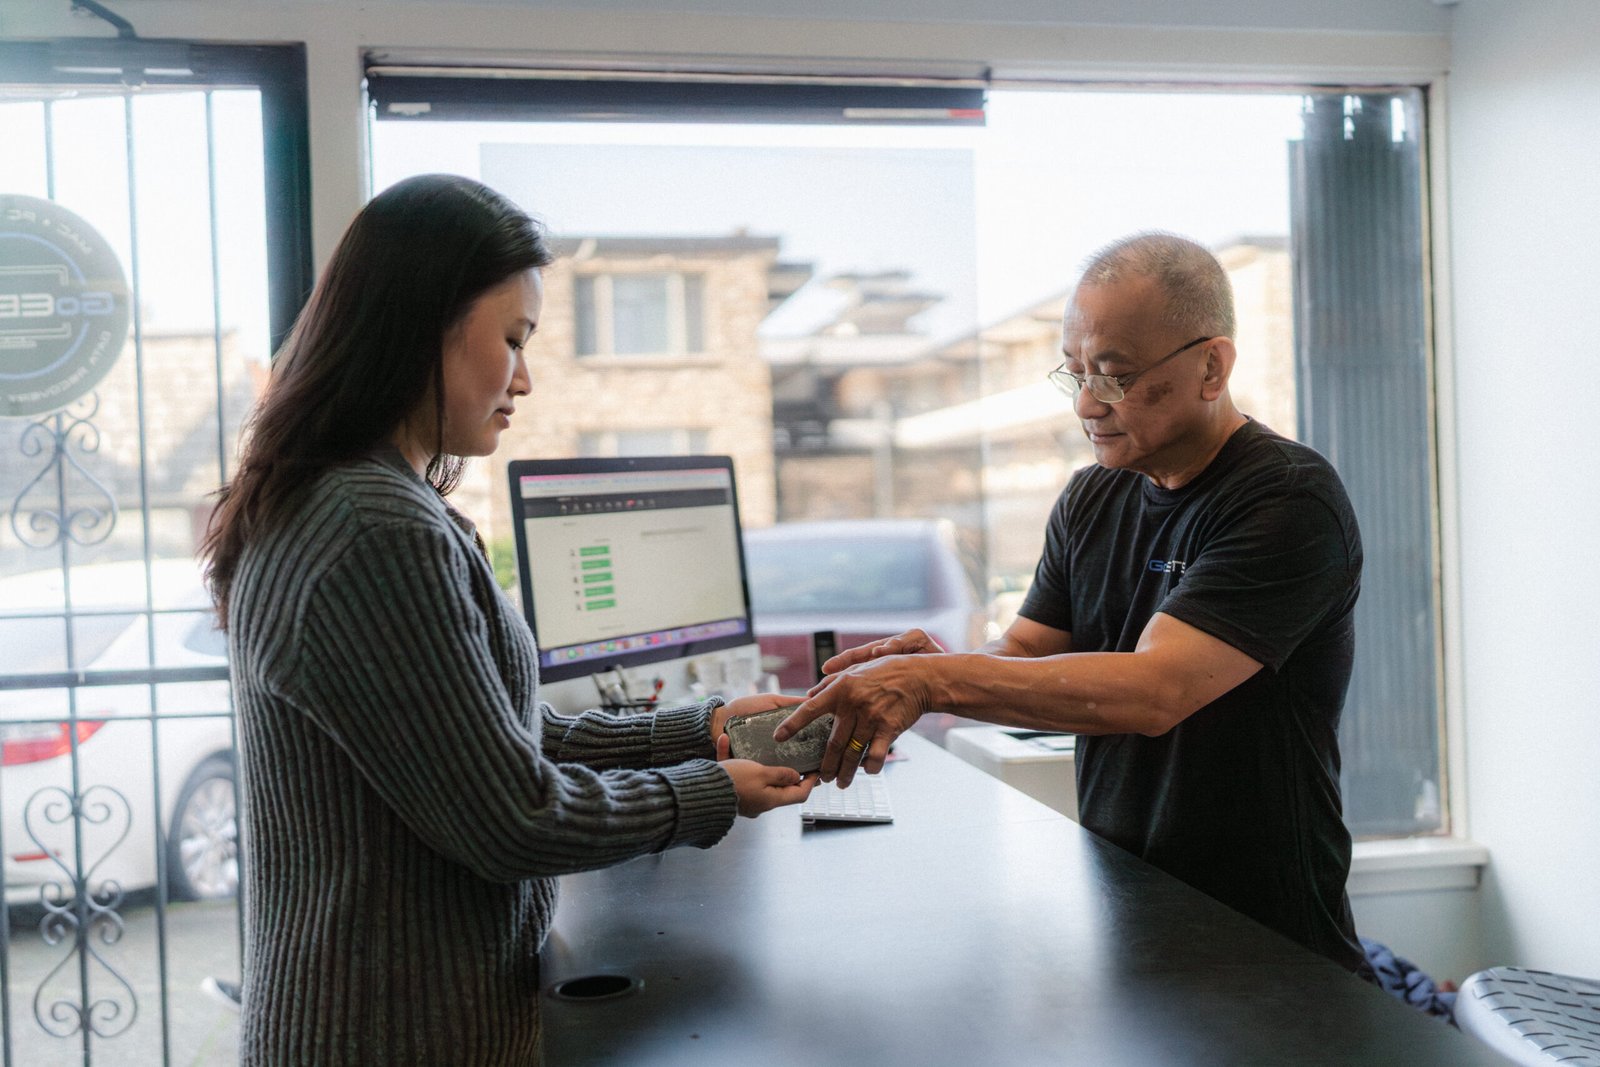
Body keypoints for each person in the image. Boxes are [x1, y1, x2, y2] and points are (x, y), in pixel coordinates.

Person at [201, 173, 817, 1063]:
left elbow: (497, 740)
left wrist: (707, 730)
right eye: (512, 339)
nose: (525, 377)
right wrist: (711, 792)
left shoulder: (361, 502)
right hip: (391, 1036)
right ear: (422, 330)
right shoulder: (373, 527)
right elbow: (510, 818)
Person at [778, 231, 1371, 977]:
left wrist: (938, 682)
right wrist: (930, 665)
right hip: (1132, 903)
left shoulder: (1286, 499)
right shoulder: (1096, 492)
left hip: (1265, 934)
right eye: (1077, 372)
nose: (1088, 402)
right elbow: (1027, 652)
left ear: (1211, 366)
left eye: (1115, 376)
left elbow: (1157, 689)